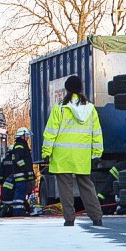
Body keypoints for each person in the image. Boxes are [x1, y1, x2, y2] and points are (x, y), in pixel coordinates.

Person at [41, 75, 103, 226]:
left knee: (65, 188)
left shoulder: (60, 107)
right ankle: (96, 217)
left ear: (67, 89)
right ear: (80, 89)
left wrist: (46, 152)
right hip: (82, 155)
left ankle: (69, 219)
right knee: (86, 186)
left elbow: (50, 132)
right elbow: (97, 133)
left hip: (62, 155)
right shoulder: (90, 109)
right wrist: (96, 154)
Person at [12, 127, 35, 216]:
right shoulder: (19, 146)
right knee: (20, 194)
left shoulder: (22, 145)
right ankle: (18, 212)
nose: (28, 137)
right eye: (26, 135)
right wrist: (25, 170)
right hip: (21, 175)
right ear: (22, 135)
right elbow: (19, 161)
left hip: (23, 175)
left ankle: (20, 211)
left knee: (21, 194)